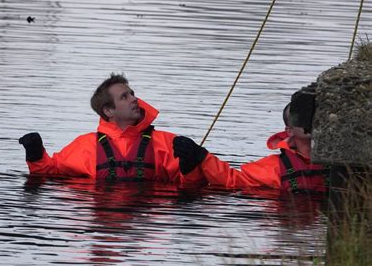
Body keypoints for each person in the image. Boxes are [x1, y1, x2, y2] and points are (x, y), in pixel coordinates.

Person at [19, 73, 208, 187]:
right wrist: (35, 155)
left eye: (132, 94)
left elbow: (193, 186)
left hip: (146, 220)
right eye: (125, 97)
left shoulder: (166, 143)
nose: (135, 99)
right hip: (106, 210)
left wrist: (190, 167)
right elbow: (48, 172)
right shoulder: (86, 146)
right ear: (108, 111)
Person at [174, 101, 329, 193]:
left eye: (314, 115)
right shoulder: (275, 166)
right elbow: (233, 180)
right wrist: (200, 156)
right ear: (289, 130)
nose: (311, 120)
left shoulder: (340, 158)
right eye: (304, 116)